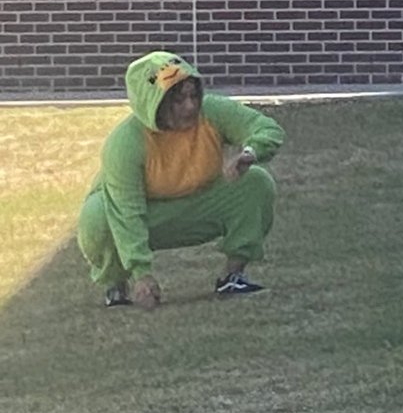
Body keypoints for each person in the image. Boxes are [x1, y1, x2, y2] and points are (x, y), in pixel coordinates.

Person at [77, 50, 285, 308]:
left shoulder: (212, 112)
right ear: (153, 103)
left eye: (193, 95)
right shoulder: (125, 143)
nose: (190, 106)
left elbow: (266, 128)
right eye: (177, 100)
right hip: (144, 214)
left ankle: (233, 276)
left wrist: (250, 152)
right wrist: (142, 274)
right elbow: (126, 212)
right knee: (98, 215)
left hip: (197, 204)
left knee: (256, 182)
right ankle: (118, 287)